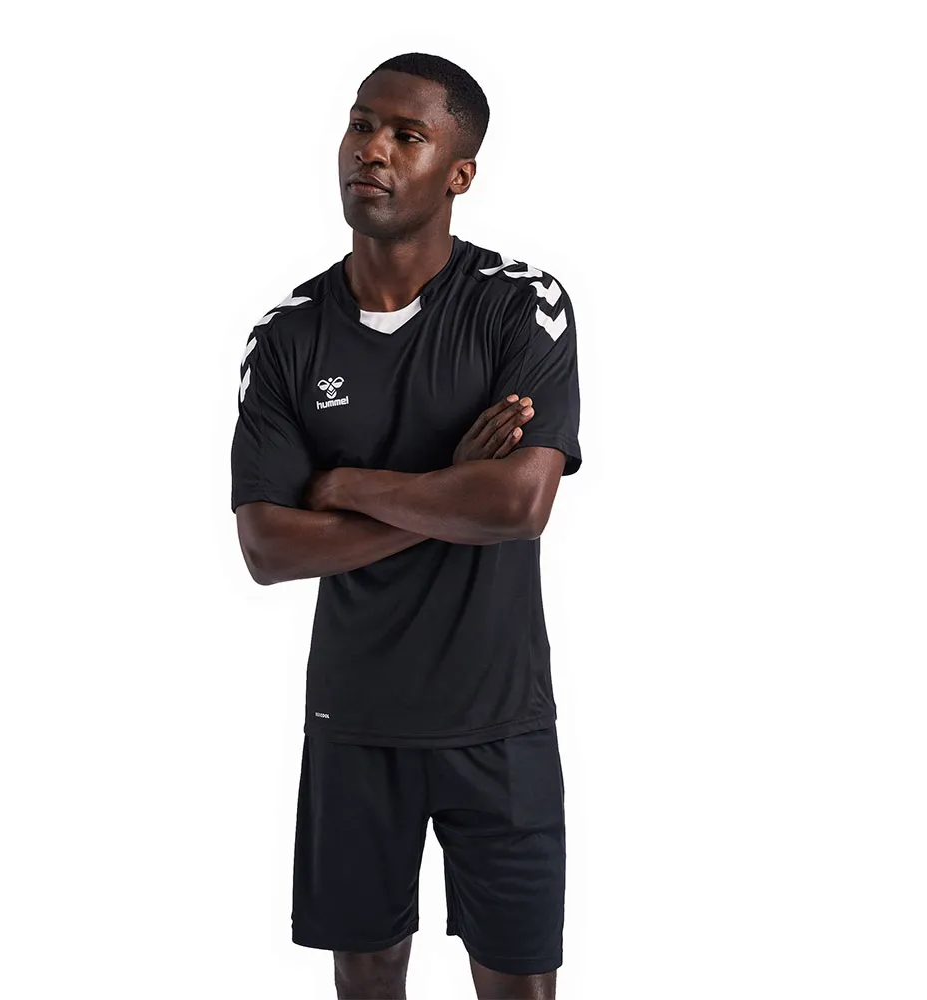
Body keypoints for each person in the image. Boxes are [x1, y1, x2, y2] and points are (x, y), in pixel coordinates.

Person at [231, 51, 581, 1000]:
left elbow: (519, 505)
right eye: (361, 124)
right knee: (368, 976)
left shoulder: (522, 303)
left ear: (459, 173)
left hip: (499, 719)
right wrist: (450, 488)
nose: (372, 149)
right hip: (354, 721)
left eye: (406, 135)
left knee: (519, 985)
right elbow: (268, 549)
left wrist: (346, 484)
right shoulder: (288, 336)